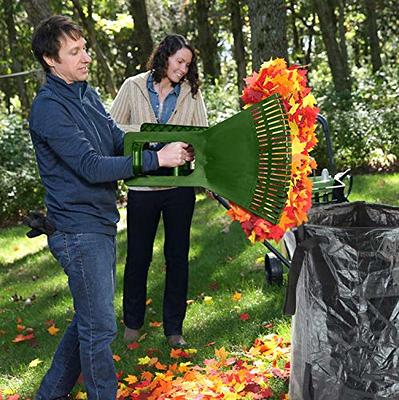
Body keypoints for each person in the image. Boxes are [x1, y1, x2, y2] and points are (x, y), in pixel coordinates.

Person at [29, 16, 192, 400]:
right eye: (75, 52)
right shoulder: (50, 108)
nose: (86, 56)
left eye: (84, 47)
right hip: (75, 230)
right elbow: (90, 165)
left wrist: (157, 150)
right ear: (51, 61)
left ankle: (49, 395)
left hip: (98, 224)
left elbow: (118, 139)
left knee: (87, 321)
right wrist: (156, 162)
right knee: (100, 327)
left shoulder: (85, 93)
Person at [110, 34, 208, 348]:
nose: (183, 69)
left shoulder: (191, 93)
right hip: (142, 186)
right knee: (138, 256)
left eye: (188, 64)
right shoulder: (133, 86)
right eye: (179, 61)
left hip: (179, 187)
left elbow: (202, 135)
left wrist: (190, 150)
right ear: (164, 56)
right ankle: (133, 324)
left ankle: (174, 329)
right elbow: (112, 130)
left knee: (177, 257)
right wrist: (148, 139)